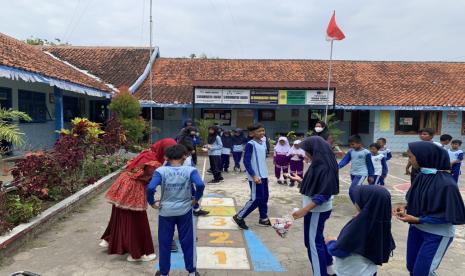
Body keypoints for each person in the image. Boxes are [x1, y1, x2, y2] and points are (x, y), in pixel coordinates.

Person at [394, 141, 465, 276]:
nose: (409, 160)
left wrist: (419, 219)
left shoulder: (447, 184)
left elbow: (450, 214)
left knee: (423, 272)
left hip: (436, 234)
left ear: (424, 157)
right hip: (416, 229)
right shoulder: (422, 176)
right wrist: (405, 207)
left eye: (410, 157)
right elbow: (420, 199)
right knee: (412, 267)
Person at [147, 144, 204, 276]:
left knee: (165, 242)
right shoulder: (190, 170)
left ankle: (163, 273)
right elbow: (200, 184)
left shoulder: (160, 171)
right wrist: (196, 199)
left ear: (166, 157)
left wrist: (151, 202)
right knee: (188, 242)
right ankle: (191, 272)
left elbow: (150, 188)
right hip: (184, 211)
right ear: (185, 156)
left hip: (165, 211)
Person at [289, 136, 339, 276]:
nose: (304, 154)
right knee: (315, 239)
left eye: (306, 151)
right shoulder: (319, 163)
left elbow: (324, 194)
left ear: (314, 151)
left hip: (316, 211)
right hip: (315, 210)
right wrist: (301, 180)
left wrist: (304, 210)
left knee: (313, 245)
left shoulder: (325, 167)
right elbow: (318, 185)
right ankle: (329, 266)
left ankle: (320, 273)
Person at [100, 150, 160, 262]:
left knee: (119, 214)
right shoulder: (152, 159)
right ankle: (138, 253)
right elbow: (149, 177)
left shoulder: (145, 153)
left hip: (123, 183)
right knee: (136, 220)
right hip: (133, 188)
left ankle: (110, 240)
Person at [326, 185, 395, 276]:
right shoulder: (381, 224)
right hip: (369, 271)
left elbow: (339, 251)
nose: (355, 202)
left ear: (366, 202)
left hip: (350, 271)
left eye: (358, 199)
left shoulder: (359, 226)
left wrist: (331, 242)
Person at [233, 123, 271, 229]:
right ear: (252, 133)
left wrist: (265, 176)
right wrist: (253, 175)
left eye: (263, 130)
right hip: (256, 177)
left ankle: (263, 218)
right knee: (256, 199)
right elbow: (246, 161)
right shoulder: (251, 144)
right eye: (259, 131)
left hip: (264, 175)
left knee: (264, 197)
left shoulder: (263, 143)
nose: (262, 133)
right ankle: (239, 216)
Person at [338, 135, 374, 203]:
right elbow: (345, 160)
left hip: (361, 174)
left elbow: (370, 165)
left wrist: (371, 175)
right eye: (350, 144)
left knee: (352, 190)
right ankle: (365, 201)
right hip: (353, 173)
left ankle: (359, 206)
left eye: (353, 144)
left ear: (360, 143)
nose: (351, 146)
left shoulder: (366, 152)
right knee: (358, 190)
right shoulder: (351, 151)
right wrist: (337, 167)